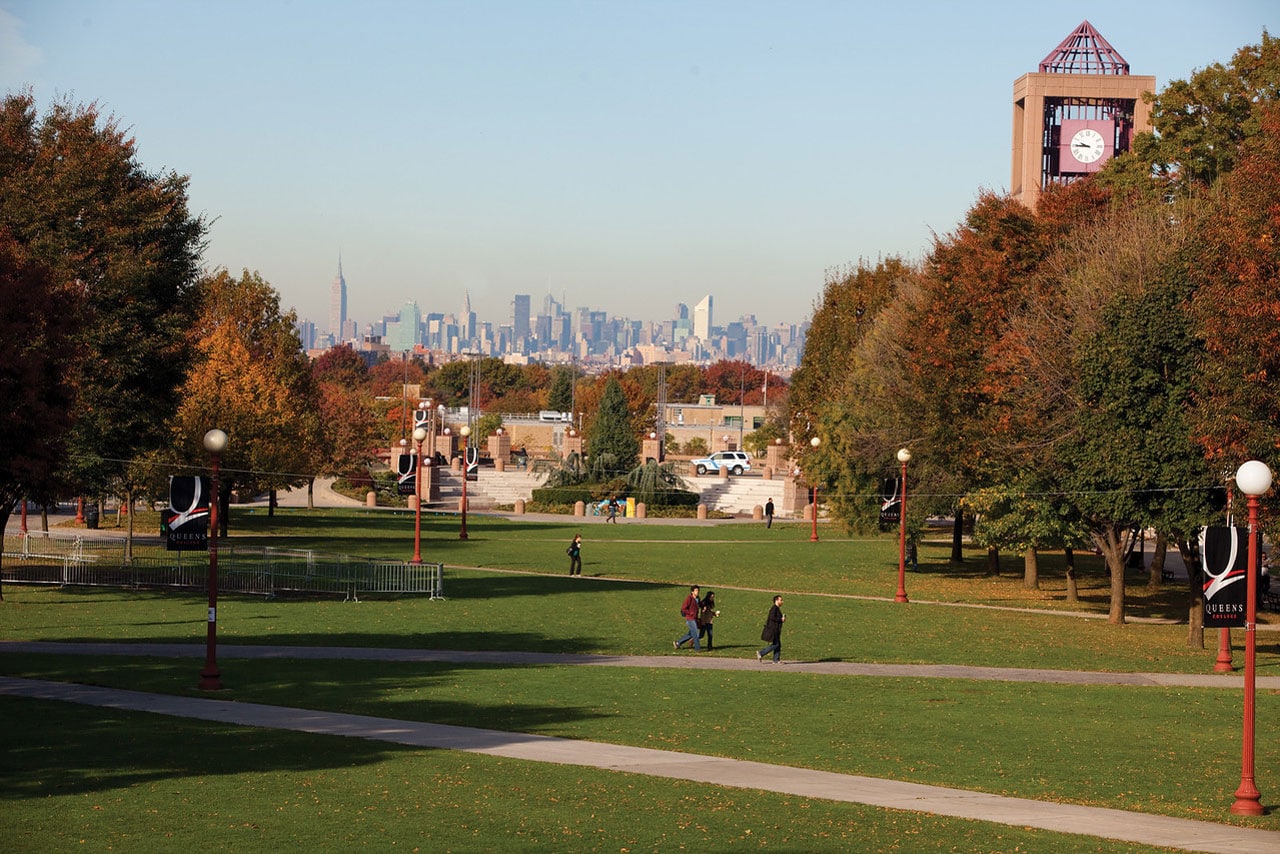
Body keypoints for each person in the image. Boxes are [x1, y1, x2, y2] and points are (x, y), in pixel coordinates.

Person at [756, 594, 785, 663]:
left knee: (778, 644)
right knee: (776, 644)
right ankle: (761, 653)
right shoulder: (774, 608)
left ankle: (776, 659)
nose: (782, 601)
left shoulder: (777, 609)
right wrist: (781, 619)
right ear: (776, 600)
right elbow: (772, 618)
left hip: (776, 630)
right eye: (781, 600)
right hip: (773, 630)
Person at [673, 584, 701, 650]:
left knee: (691, 634)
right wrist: (690, 613)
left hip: (695, 618)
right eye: (696, 590)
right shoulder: (689, 598)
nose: (698, 592)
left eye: (698, 590)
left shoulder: (697, 598)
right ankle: (697, 649)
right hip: (690, 618)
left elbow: (699, 604)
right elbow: (683, 609)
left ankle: (677, 643)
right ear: (692, 591)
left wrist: (703, 606)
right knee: (696, 634)